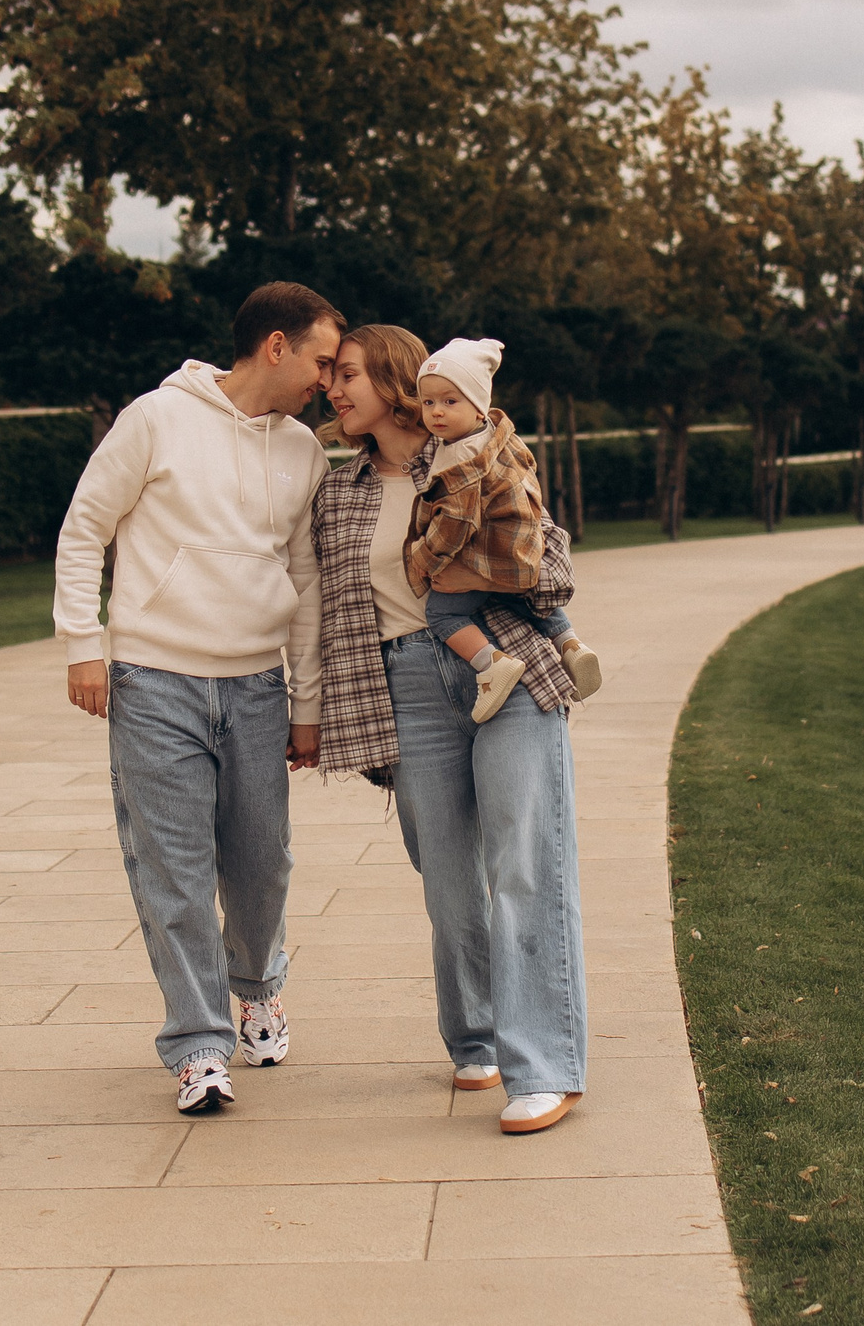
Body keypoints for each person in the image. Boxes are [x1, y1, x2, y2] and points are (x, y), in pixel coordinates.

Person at [54, 281, 344, 1116]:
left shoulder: (304, 451)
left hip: (257, 686)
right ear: (277, 346)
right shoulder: (156, 417)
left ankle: (257, 990)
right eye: (322, 360)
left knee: (263, 864)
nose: (327, 379)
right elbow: (86, 526)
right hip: (153, 681)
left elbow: (305, 581)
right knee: (173, 872)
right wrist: (85, 643)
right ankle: (198, 1044)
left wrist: (307, 703)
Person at [307, 324, 589, 1135]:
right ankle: (475, 1036)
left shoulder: (474, 452)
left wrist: (489, 564)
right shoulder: (341, 489)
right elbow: (323, 605)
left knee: (523, 861)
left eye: (349, 374)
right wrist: (317, 709)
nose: (335, 388)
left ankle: (544, 1065)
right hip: (407, 681)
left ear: (395, 378)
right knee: (445, 875)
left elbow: (554, 564)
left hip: (503, 661)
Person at [406, 336, 605, 723]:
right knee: (519, 597)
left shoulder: (460, 458)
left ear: (479, 406)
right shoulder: (500, 438)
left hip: (482, 555)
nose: (436, 413)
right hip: (516, 549)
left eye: (450, 401)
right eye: (428, 402)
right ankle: (570, 643)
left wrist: (425, 559)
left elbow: (457, 521)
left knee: (443, 615)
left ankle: (491, 665)